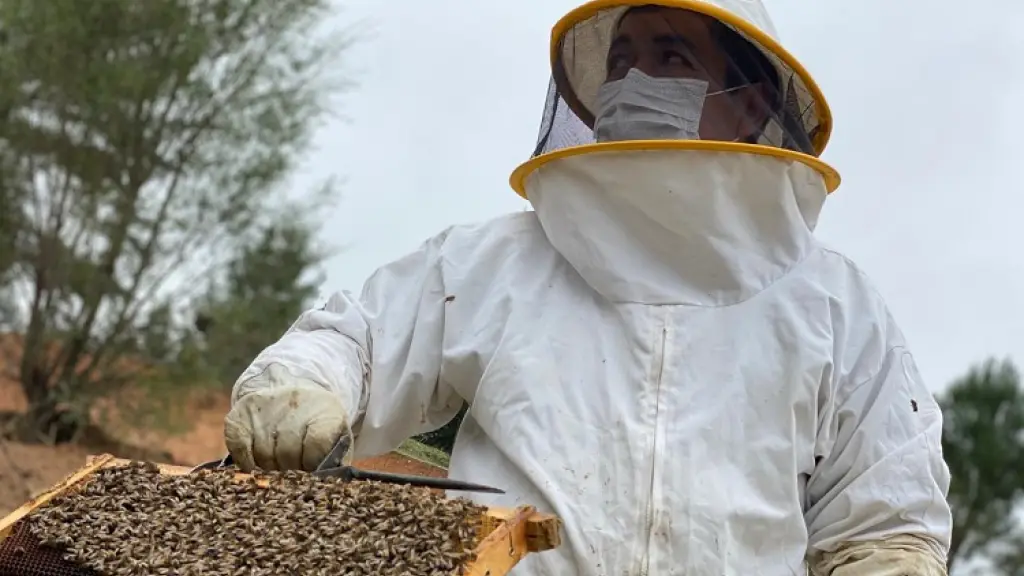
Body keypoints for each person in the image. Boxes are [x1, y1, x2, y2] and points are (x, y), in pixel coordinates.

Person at [223, 1, 952, 574]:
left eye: (670, 57)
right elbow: (359, 340)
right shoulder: (494, 263)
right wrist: (303, 384)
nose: (631, 82)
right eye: (621, 60)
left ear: (752, 103)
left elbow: (886, 516)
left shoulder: (833, 305)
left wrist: (889, 561)